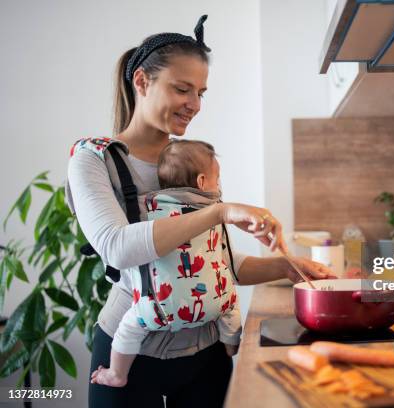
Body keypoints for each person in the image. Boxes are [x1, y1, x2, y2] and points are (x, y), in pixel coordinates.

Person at [65, 15, 333, 408]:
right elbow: (117, 248)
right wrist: (220, 211)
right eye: (182, 89)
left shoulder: (192, 162)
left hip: (207, 353)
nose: (194, 104)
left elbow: (213, 262)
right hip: (129, 352)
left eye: (201, 93)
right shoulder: (94, 159)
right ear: (141, 81)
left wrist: (287, 268)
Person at [89, 139, 241, 388]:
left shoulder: (145, 210)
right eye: (217, 178)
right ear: (202, 182)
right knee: (231, 307)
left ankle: (117, 374)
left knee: (128, 328)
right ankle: (230, 345)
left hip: (157, 307)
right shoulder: (215, 210)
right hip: (215, 303)